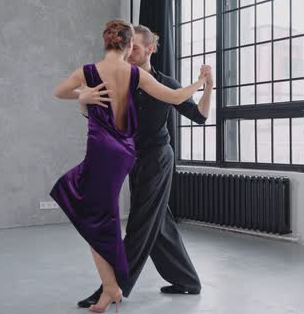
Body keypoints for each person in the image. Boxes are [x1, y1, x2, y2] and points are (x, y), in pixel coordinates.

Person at [50, 20, 211, 313]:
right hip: (130, 157)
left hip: (158, 157)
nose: (130, 52)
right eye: (129, 46)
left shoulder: (159, 80)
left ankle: (113, 288)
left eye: (136, 47)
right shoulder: (125, 78)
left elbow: (198, 115)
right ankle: (187, 280)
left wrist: (206, 85)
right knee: (158, 221)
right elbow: (94, 114)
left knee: (139, 223)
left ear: (149, 49)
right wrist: (82, 99)